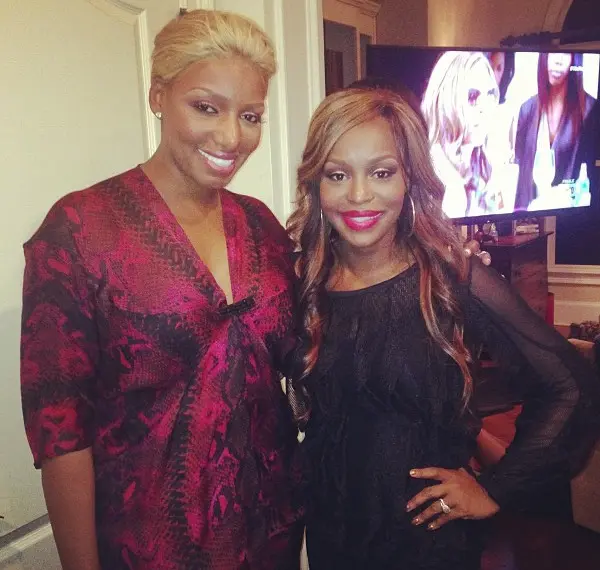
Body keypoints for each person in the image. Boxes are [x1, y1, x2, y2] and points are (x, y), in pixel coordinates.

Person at [20, 9, 304, 570]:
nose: (232, 137)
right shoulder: (80, 229)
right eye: (206, 107)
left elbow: (311, 358)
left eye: (250, 116)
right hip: (150, 547)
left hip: (271, 533)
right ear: (158, 96)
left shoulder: (261, 226)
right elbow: (60, 430)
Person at [287, 88, 600, 569]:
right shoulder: (300, 280)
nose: (358, 194)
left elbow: (569, 386)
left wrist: (495, 490)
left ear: (409, 177)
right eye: (337, 174)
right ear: (316, 183)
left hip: (427, 539)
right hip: (334, 533)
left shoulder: (451, 277)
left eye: (381, 172)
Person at [421, 51, 508, 218]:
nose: (485, 108)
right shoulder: (428, 168)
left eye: (490, 94)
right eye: (472, 97)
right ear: (446, 101)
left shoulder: (484, 160)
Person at [514, 52, 596, 211]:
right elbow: (520, 175)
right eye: (553, 53)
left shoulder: (590, 110)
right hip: (528, 215)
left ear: (575, 59)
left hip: (572, 217)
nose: (558, 60)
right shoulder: (527, 109)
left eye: (565, 53)